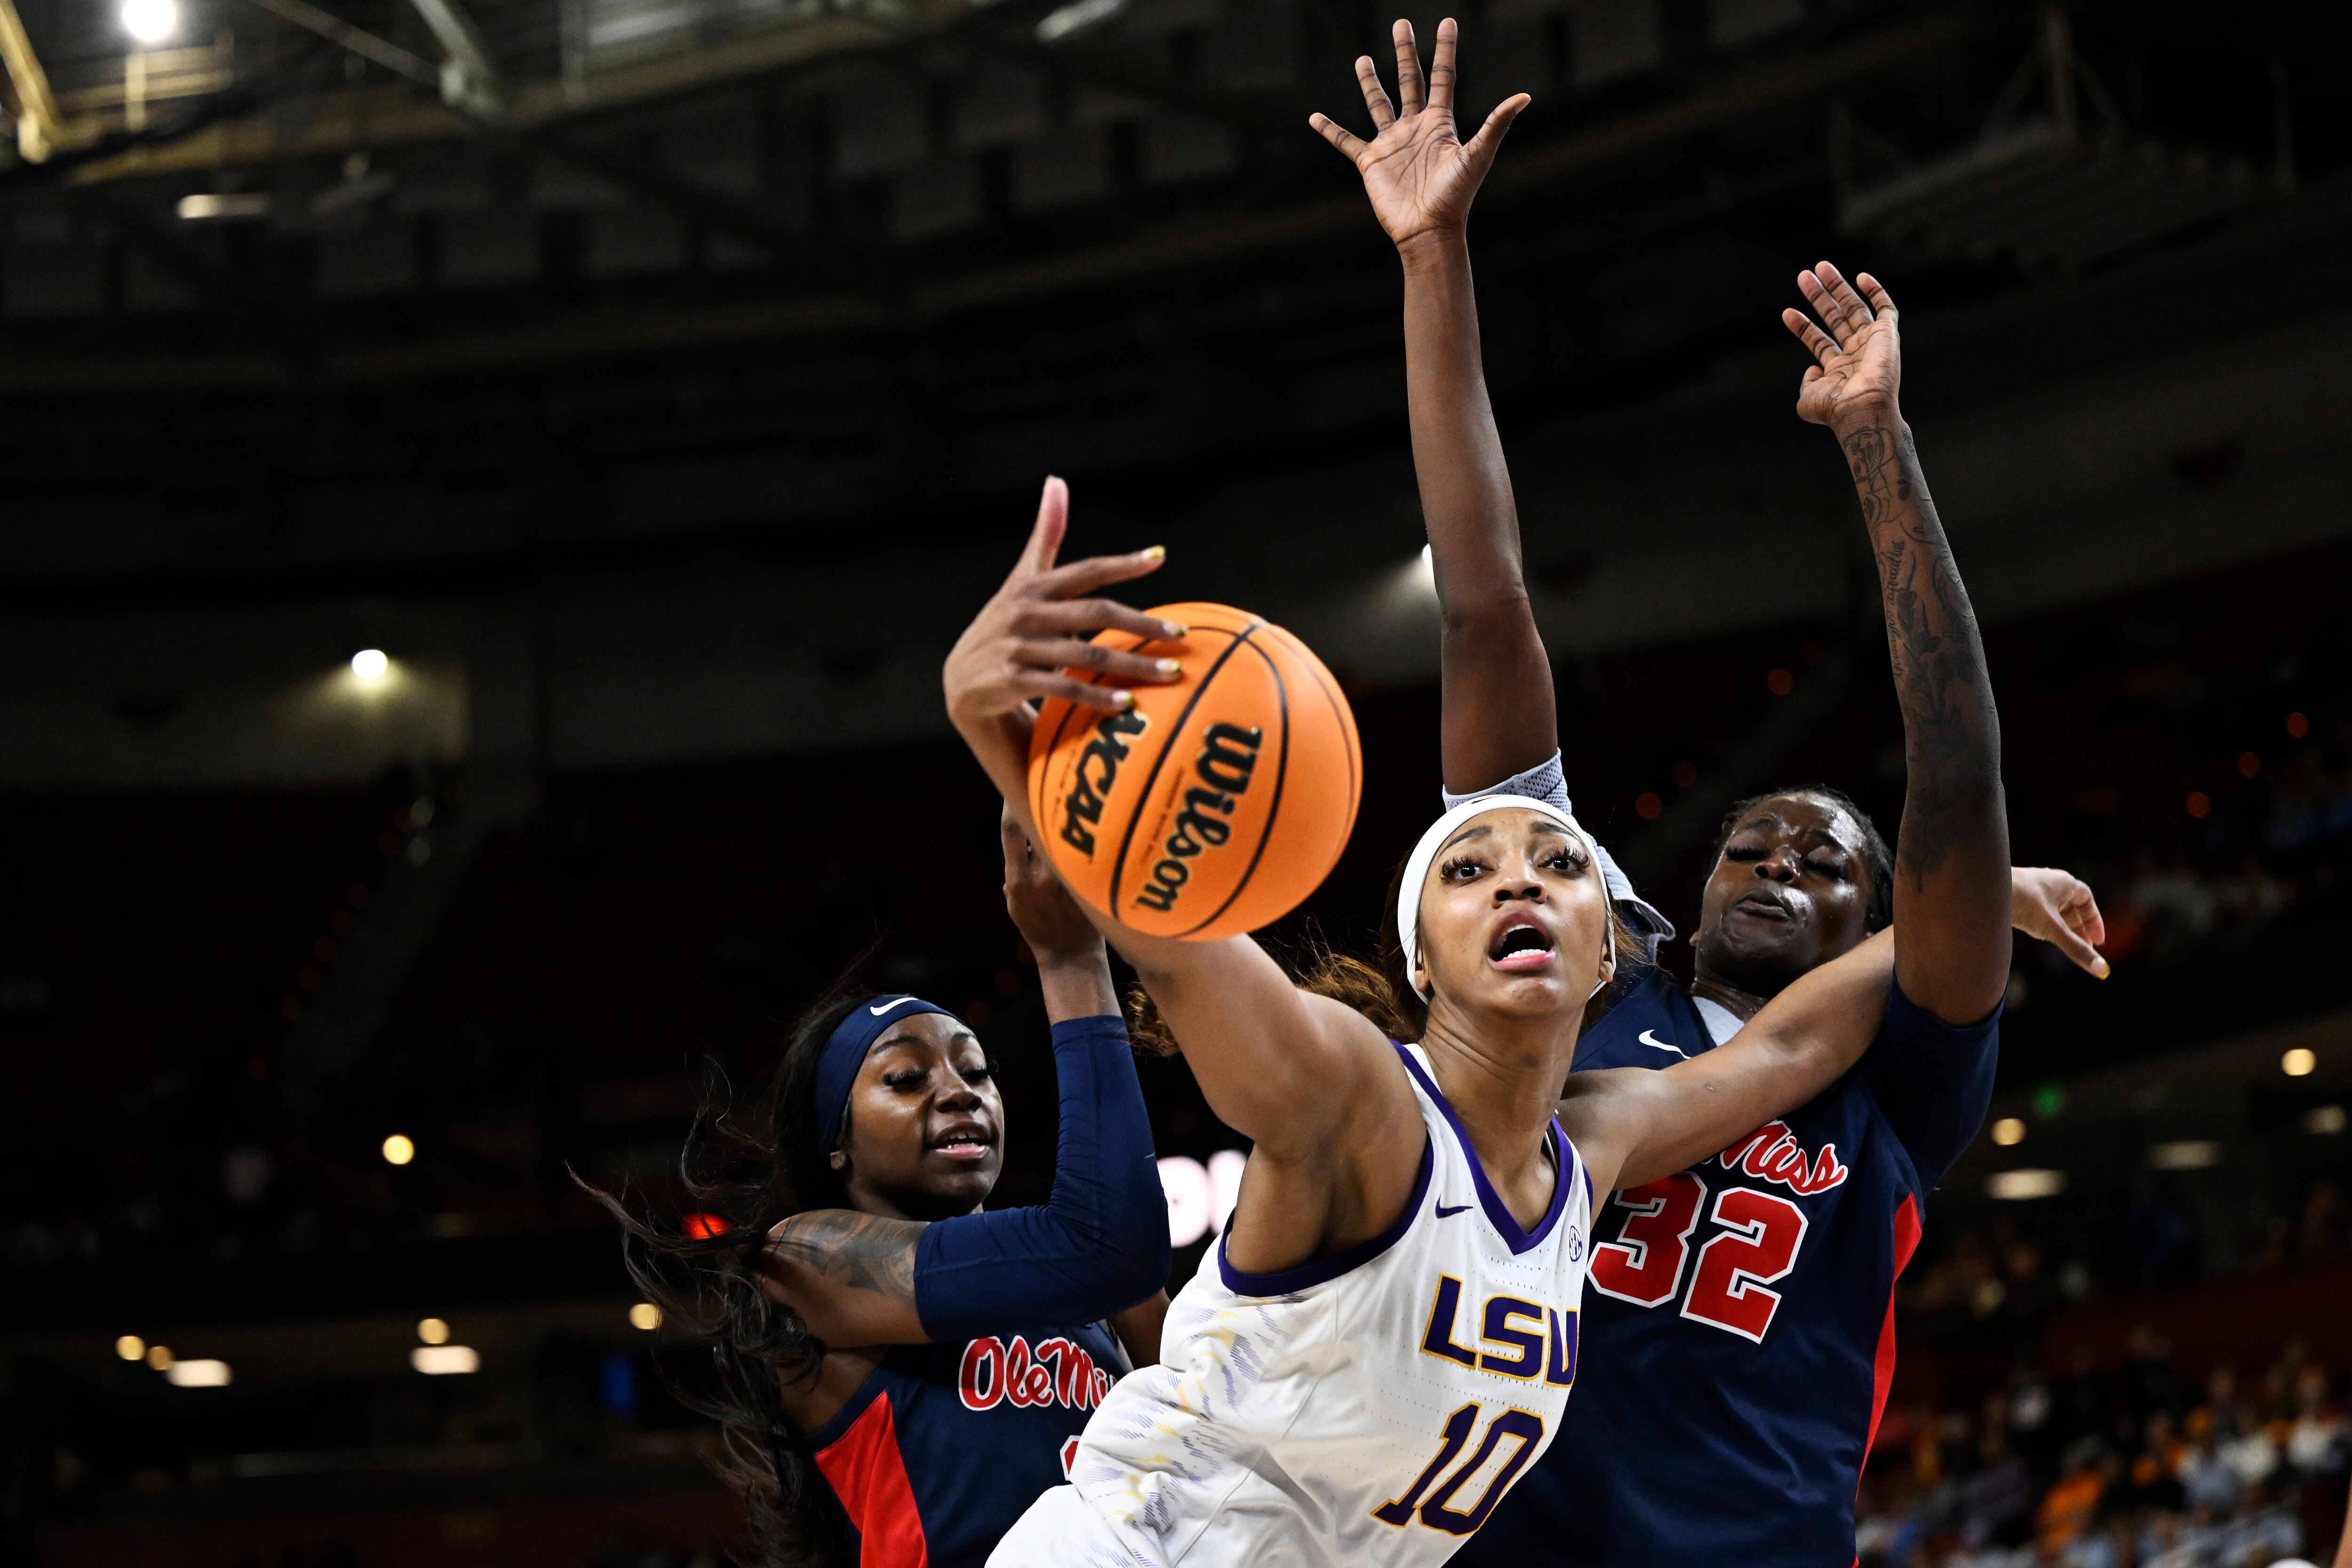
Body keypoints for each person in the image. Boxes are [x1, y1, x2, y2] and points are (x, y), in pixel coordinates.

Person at [1312, 18, 2106, 1567]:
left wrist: (1879, 448)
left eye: (1823, 862)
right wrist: (1432, 258)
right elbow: (1487, 605)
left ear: (1881, 918)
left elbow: (1955, 777)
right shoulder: (1573, 952)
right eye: (1750, 842)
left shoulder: (1897, 1072)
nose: (1771, 861)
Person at [940, 472, 1907, 1568]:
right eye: (1469, 867)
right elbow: (1171, 930)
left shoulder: (1591, 1148)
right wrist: (1007, 742)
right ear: (1422, 958)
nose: (1519, 884)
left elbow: (1792, 1043)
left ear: (1608, 950)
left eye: (1557, 862)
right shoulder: (1361, 1096)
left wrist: (1978, 898)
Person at [590, 807, 1171, 1568]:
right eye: (906, 1077)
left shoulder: (1092, 1282)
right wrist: (1069, 959)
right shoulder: (805, 1261)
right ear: (836, 1142)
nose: (960, 1092)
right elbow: (1108, 1244)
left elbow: (1219, 1422)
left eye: (977, 1070)